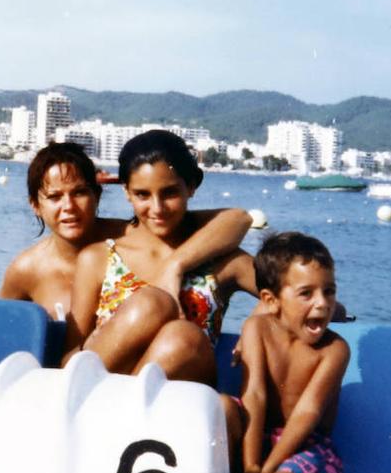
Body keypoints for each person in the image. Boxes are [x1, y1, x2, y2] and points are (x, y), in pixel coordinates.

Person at [68, 130, 259, 383]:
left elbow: (296, 294)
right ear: (127, 192)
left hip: (184, 402)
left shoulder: (223, 261)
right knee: (151, 305)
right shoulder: (99, 258)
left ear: (191, 187)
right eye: (142, 195)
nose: (157, 208)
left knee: (181, 338)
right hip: (106, 395)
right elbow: (69, 355)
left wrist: (260, 321)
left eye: (169, 193)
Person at [0, 141, 251, 326]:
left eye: (79, 193)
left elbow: (236, 219)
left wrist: (176, 263)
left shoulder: (125, 235)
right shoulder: (27, 269)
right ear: (35, 204)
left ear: (96, 195)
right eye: (54, 197)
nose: (68, 207)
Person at [235, 232, 349, 473]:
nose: (323, 304)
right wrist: (251, 466)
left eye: (329, 291)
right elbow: (252, 395)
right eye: (307, 293)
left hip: (307, 446)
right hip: (260, 436)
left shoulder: (334, 350)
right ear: (270, 300)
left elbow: (307, 414)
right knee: (220, 411)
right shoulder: (255, 328)